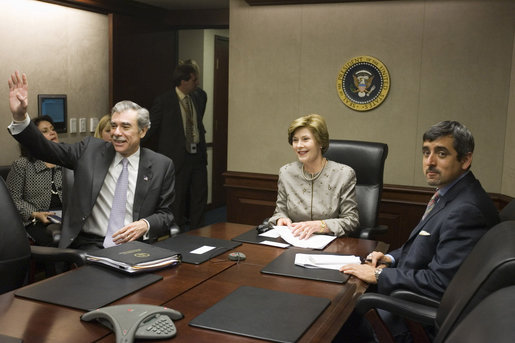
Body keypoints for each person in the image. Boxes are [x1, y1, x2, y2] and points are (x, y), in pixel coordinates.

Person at [338, 121, 500, 342]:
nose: (430, 162)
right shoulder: (450, 195)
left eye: (441, 153)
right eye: (426, 153)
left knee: (335, 317)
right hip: (404, 296)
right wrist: (389, 258)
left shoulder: (466, 210)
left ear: (465, 159)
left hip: (411, 318)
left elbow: (439, 283)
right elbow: (421, 247)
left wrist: (379, 274)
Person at [8, 71, 175, 251]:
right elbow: (45, 148)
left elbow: (166, 214)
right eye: (113, 126)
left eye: (125, 127)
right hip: (91, 244)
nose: (116, 133)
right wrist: (20, 118)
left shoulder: (161, 165)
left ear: (142, 131)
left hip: (135, 247)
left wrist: (145, 224)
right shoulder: (89, 151)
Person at [268, 114, 359, 239]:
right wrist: (281, 219)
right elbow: (280, 212)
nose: (299, 145)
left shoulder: (343, 174)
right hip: (295, 240)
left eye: (305, 139)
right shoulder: (286, 172)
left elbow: (351, 221)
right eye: (295, 140)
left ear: (320, 142)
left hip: (331, 244)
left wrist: (321, 226)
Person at [145, 61, 208, 232]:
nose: (197, 84)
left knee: (199, 198)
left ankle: (198, 232)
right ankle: (176, 234)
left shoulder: (199, 97)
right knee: (177, 200)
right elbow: (151, 127)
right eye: (194, 80)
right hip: (176, 158)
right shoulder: (164, 101)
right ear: (183, 81)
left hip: (198, 156)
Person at [6, 115, 63, 246]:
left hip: (65, 220)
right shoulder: (22, 165)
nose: (52, 132)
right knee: (52, 241)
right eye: (45, 131)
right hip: (35, 221)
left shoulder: (66, 162)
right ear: (34, 139)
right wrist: (35, 213)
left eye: (52, 129)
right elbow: (12, 199)